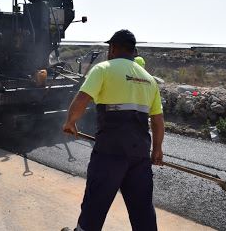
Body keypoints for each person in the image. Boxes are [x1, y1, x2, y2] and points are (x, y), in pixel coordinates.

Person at [62, 29, 165, 231]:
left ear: (113, 48)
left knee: (95, 204)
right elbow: (158, 120)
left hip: (110, 153)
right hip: (139, 155)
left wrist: (70, 122)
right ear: (134, 51)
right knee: (142, 209)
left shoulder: (103, 69)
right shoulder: (149, 79)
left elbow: (82, 98)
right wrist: (157, 150)